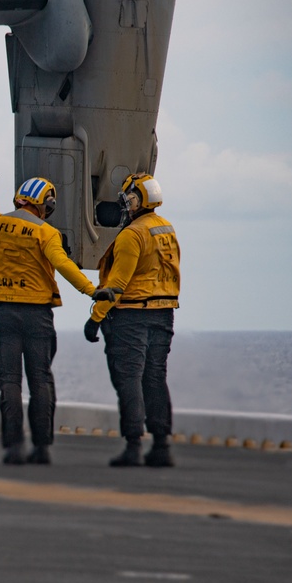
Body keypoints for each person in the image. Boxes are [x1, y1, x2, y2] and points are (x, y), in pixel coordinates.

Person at [0, 159, 118, 465]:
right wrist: (92, 290)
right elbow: (63, 264)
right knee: (40, 380)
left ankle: (13, 448)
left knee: (9, 382)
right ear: (45, 205)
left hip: (3, 312)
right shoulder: (47, 233)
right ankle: (41, 448)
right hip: (37, 315)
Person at [84, 173, 180, 468]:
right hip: (164, 313)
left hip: (131, 316)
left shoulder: (131, 235)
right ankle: (162, 445)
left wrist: (95, 320)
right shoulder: (166, 228)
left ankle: (134, 444)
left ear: (137, 200)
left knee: (130, 380)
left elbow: (117, 284)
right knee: (155, 378)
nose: (124, 204)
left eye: (127, 198)